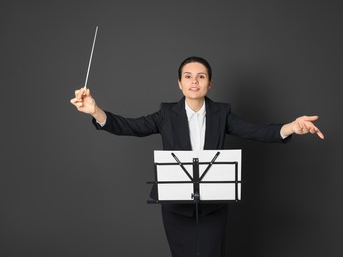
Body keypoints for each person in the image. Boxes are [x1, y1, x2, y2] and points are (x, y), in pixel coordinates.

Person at [70, 56, 324, 257]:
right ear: (179, 84)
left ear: (209, 83)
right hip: (176, 208)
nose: (194, 81)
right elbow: (130, 126)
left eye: (201, 76)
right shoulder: (166, 114)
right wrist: (96, 111)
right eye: (188, 77)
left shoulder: (221, 113)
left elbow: (257, 130)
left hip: (213, 206)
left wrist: (292, 126)